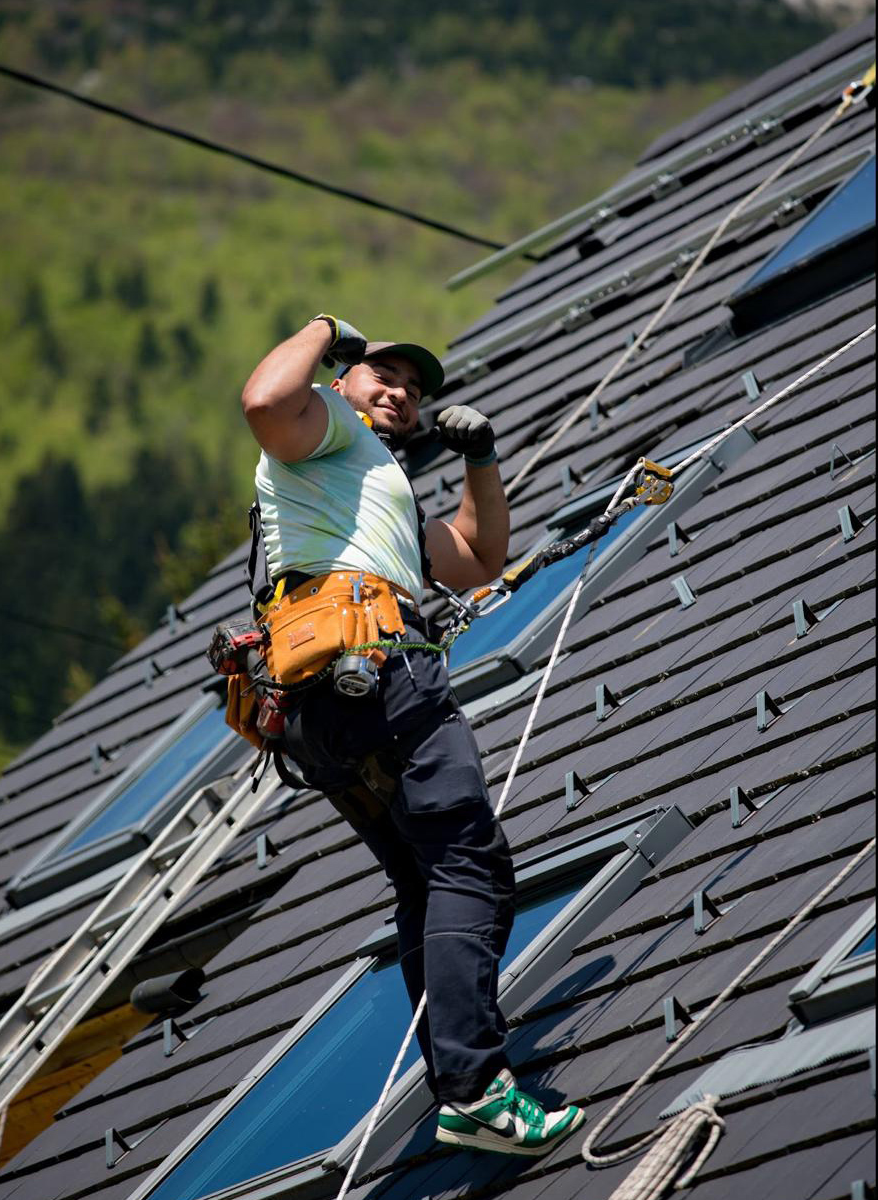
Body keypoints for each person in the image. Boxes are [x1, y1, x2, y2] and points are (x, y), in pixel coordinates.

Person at [241, 313, 585, 1156]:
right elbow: (262, 398)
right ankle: (472, 1085)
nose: (400, 392)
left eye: (414, 387)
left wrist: (481, 461)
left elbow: (473, 555)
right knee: (470, 862)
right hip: (376, 670)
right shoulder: (323, 428)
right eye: (382, 375)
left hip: (329, 703)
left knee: (431, 883)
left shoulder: (364, 486)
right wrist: (324, 329)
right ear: (341, 382)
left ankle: (463, 1082)